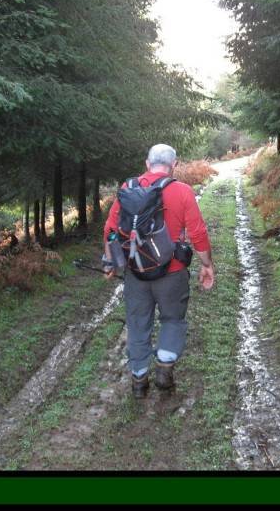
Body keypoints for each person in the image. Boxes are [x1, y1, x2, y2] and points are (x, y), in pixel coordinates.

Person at [103, 144, 215, 398]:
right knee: (173, 320)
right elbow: (198, 233)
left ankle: (139, 380)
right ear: (174, 165)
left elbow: (110, 228)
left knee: (137, 324)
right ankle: (164, 367)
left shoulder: (127, 188)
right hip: (172, 273)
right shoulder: (182, 191)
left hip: (136, 272)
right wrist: (207, 265)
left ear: (147, 163)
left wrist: (110, 262)